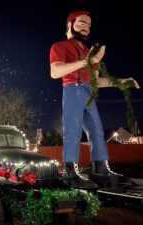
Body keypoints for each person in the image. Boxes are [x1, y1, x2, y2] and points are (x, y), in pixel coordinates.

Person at [49, 10, 140, 188]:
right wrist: (86, 62)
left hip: (89, 92)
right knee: (72, 131)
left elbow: (96, 81)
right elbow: (55, 72)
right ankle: (70, 171)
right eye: (82, 23)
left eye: (89, 25)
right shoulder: (59, 46)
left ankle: (101, 169)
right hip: (72, 90)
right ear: (70, 24)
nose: (86, 28)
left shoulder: (89, 52)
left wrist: (120, 82)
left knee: (97, 130)